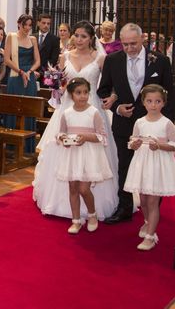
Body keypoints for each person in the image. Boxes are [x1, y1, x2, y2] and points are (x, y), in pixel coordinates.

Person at [33, 21, 119, 220]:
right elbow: (61, 84)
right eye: (77, 36)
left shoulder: (101, 58)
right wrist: (57, 87)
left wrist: (112, 97)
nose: (79, 40)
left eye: (84, 36)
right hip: (68, 108)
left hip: (92, 109)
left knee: (93, 150)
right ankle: (61, 202)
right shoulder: (64, 57)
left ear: (91, 38)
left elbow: (108, 85)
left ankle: (94, 205)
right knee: (63, 149)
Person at [97, 23, 174, 224]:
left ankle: (153, 209)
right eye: (125, 44)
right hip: (124, 123)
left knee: (153, 167)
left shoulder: (161, 61)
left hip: (153, 126)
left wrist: (166, 129)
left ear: (142, 41)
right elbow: (103, 90)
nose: (129, 48)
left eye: (133, 44)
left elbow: (169, 95)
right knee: (124, 166)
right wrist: (116, 108)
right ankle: (125, 207)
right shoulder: (113, 60)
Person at [124, 85, 175, 250]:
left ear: (163, 103)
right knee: (142, 199)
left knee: (152, 201)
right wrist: (134, 144)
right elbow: (133, 141)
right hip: (143, 163)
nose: (153, 105)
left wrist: (160, 146)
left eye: (157, 101)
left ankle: (150, 236)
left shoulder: (167, 123)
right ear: (144, 102)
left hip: (158, 165)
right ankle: (148, 222)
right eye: (149, 101)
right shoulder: (139, 122)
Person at [55, 77, 113, 234]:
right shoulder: (67, 113)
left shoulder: (93, 113)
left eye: (86, 92)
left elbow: (102, 137)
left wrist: (86, 137)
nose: (82, 96)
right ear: (71, 95)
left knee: (84, 188)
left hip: (88, 155)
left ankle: (92, 214)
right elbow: (60, 132)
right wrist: (63, 139)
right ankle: (75, 220)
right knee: (73, 187)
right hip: (72, 155)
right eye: (78, 93)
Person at [3, 14, 40, 154]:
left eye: (30, 25)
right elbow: (7, 59)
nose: (27, 28)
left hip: (29, 78)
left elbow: (37, 61)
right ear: (19, 24)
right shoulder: (11, 37)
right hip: (15, 76)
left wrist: (29, 71)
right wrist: (20, 72)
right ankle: (12, 147)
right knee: (14, 109)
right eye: (25, 25)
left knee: (29, 110)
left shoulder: (33, 39)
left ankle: (27, 147)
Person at [34, 13, 60, 83]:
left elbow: (53, 60)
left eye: (48, 23)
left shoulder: (55, 39)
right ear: (38, 23)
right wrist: (32, 71)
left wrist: (41, 73)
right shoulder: (31, 37)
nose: (46, 25)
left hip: (46, 76)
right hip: (31, 73)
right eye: (44, 23)